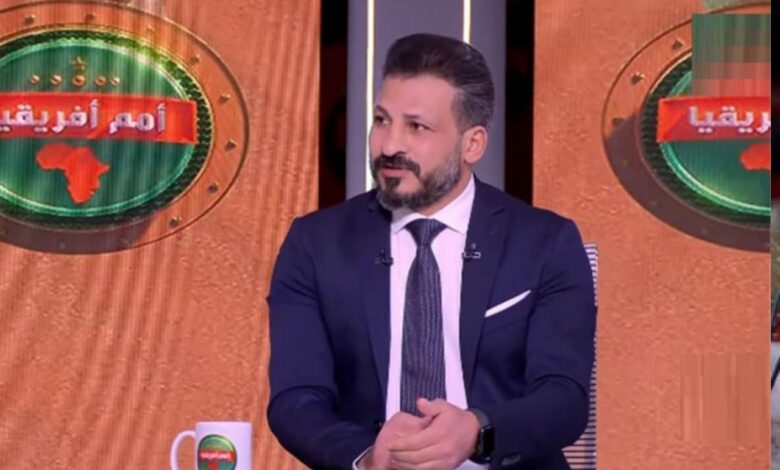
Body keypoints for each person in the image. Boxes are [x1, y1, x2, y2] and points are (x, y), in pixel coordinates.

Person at [267, 33, 595, 470]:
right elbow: (296, 399)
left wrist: (478, 431)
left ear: (472, 144)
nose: (389, 146)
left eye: (416, 127)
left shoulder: (545, 243)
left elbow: (564, 397)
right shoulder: (315, 243)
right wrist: (367, 458)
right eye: (382, 120)